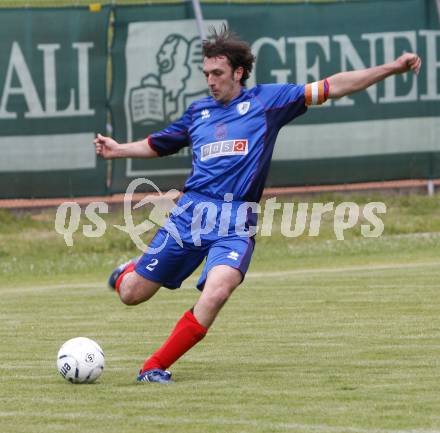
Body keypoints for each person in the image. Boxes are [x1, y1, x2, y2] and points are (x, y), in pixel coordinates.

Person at [94, 26, 421, 384]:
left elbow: (334, 86)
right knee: (131, 294)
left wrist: (392, 68)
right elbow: (159, 144)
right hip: (191, 214)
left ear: (238, 72)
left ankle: (154, 366)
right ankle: (129, 270)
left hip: (237, 220)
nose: (211, 81)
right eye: (206, 74)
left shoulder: (269, 102)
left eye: (217, 73)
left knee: (218, 290)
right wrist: (118, 149)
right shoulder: (198, 113)